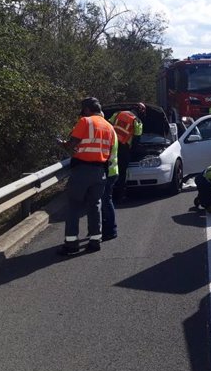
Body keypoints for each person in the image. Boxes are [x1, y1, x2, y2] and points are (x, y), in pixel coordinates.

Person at [57, 97, 114, 255]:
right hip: (100, 171)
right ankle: (95, 241)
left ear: (88, 109)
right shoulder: (109, 126)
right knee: (95, 206)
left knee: (74, 205)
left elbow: (72, 145)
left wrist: (62, 143)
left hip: (82, 170)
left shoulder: (86, 121)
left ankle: (71, 245)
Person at [109, 103, 145, 201]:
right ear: (141, 112)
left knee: (109, 169)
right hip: (123, 149)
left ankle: (107, 193)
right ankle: (121, 196)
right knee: (122, 172)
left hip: (111, 145)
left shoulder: (118, 114)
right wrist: (135, 152)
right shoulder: (137, 121)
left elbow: (108, 126)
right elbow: (137, 139)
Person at [101, 120, 119, 241]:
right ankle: (107, 229)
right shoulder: (111, 131)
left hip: (108, 171)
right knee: (106, 200)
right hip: (112, 170)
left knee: (105, 201)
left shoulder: (106, 133)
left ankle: (110, 230)